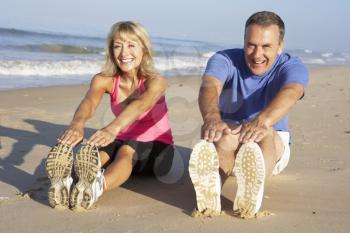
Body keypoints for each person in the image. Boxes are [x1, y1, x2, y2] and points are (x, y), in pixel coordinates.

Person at [188, 11, 309, 218]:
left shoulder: (292, 66)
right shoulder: (224, 59)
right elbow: (210, 85)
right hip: (231, 142)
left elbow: (293, 92)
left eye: (266, 46)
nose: (257, 54)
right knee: (224, 132)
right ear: (244, 41)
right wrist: (211, 118)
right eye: (251, 45)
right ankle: (213, 185)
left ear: (280, 46)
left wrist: (262, 121)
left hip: (271, 148)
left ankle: (254, 190)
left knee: (265, 133)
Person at [45, 21, 174, 211]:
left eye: (131, 45)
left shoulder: (156, 82)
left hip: (159, 150)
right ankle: (68, 183)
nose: (124, 53)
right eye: (117, 46)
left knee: (126, 150)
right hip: (120, 139)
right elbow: (89, 102)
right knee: (93, 152)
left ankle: (96, 188)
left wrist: (113, 128)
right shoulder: (103, 80)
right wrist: (77, 123)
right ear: (111, 50)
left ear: (144, 50)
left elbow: (141, 104)